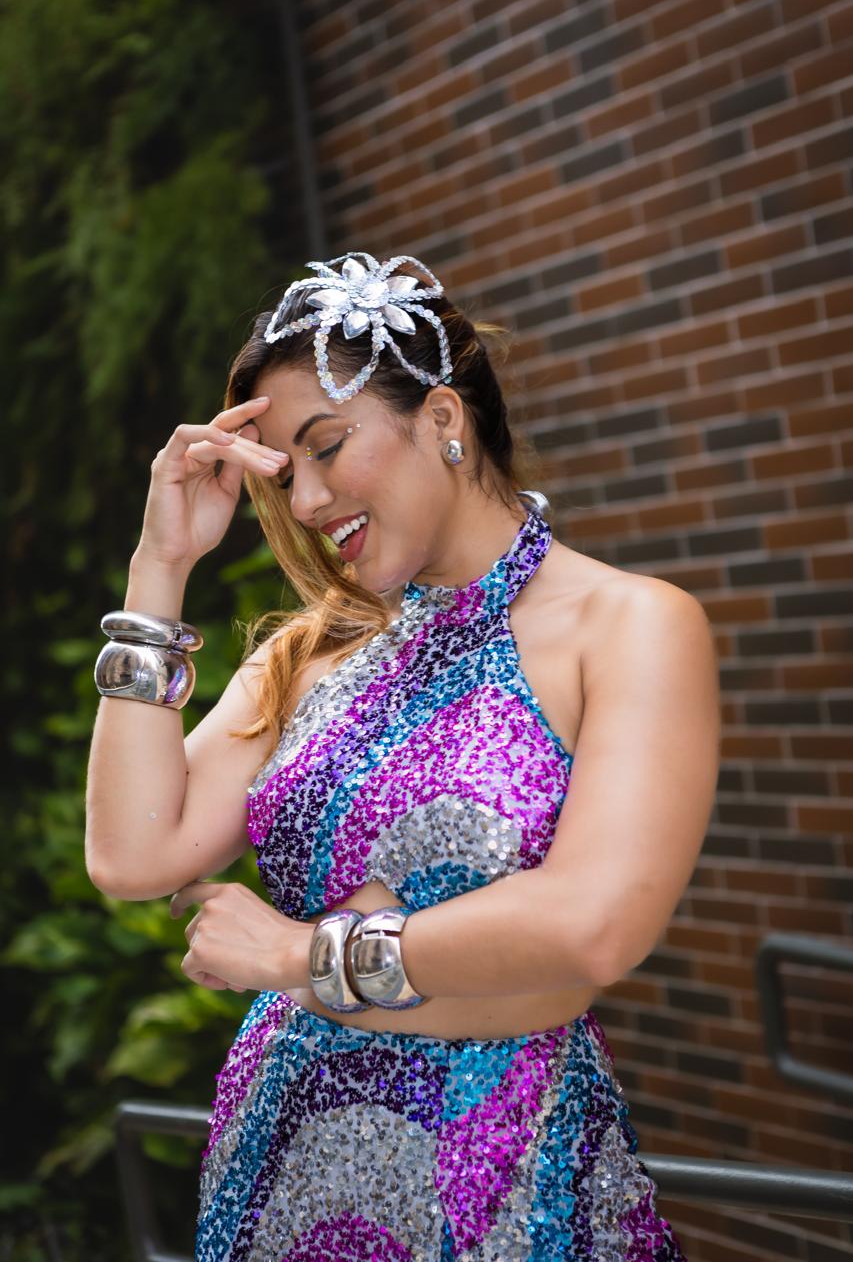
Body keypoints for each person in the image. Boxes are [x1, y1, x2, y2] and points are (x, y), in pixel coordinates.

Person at [85, 251, 720, 1260]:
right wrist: (159, 566)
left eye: (326, 446)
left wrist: (295, 957)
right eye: (285, 471)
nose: (304, 500)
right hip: (279, 1172)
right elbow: (132, 854)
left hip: (501, 1183)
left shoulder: (628, 625)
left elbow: (591, 925)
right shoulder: (306, 654)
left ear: (441, 418)